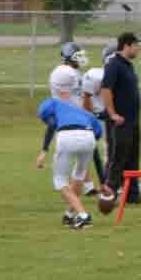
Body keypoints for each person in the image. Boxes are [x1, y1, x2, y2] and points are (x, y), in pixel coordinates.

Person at [37, 68, 103, 229]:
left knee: (60, 181)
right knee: (79, 177)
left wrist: (44, 151)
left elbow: (51, 123)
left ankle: (83, 215)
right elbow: (98, 132)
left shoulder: (52, 102)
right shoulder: (81, 110)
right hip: (89, 137)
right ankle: (70, 215)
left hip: (67, 136)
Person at [42, 42, 98, 196]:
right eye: (77, 56)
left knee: (84, 154)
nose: (81, 58)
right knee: (69, 152)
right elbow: (65, 97)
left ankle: (88, 186)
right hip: (68, 116)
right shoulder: (63, 72)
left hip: (77, 115)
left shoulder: (74, 72)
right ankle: (62, 182)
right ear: (68, 58)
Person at [101, 31, 141, 203]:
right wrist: (112, 114)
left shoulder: (128, 65)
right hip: (120, 121)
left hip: (133, 121)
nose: (138, 49)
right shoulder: (114, 64)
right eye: (136, 45)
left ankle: (132, 195)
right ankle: (108, 194)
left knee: (133, 158)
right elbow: (106, 89)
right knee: (117, 158)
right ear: (127, 45)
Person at [81, 41, 117, 186]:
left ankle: (114, 181)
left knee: (115, 151)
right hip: (99, 118)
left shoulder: (120, 73)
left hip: (112, 117)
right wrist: (90, 117)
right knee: (102, 151)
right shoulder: (96, 75)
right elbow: (86, 97)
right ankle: (104, 183)